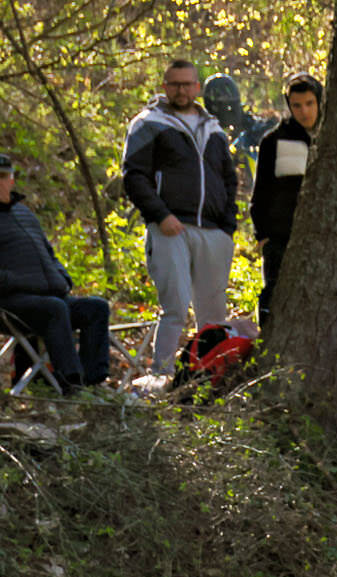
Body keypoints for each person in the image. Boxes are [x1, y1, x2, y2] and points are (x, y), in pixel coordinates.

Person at [0, 152, 110, 394]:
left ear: (12, 180)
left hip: (43, 298)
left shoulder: (24, 214)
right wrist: (10, 281)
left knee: (96, 308)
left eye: (2, 177)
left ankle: (93, 384)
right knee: (54, 308)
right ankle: (71, 385)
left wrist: (62, 277)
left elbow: (50, 255)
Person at [123, 59, 238, 376]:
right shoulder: (148, 123)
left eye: (187, 84)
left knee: (214, 314)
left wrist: (227, 226)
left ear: (197, 88)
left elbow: (229, 179)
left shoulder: (213, 127)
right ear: (165, 87)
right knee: (175, 307)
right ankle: (161, 375)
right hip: (170, 228)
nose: (181, 90)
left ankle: (210, 378)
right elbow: (134, 176)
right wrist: (161, 215)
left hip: (213, 231)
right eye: (174, 84)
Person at [249, 72, 322, 331]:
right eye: (297, 105)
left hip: (324, 236)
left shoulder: (333, 138)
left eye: (310, 103)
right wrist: (263, 236)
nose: (304, 111)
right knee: (275, 301)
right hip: (281, 238)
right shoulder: (274, 141)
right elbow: (261, 193)